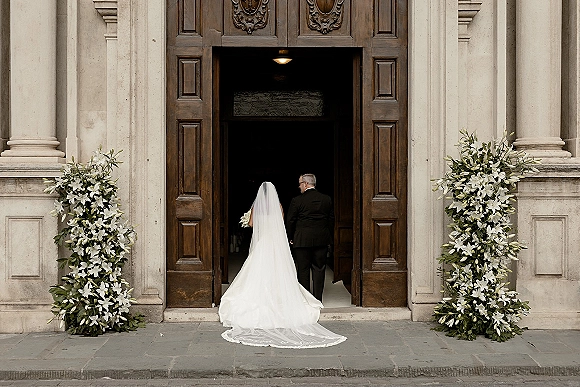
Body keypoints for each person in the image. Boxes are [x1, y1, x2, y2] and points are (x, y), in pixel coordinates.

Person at [218, 182, 346, 348]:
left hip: (263, 244)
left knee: (258, 272)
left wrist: (252, 216)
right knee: (279, 271)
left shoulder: (257, 206)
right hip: (276, 245)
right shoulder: (278, 205)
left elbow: (250, 224)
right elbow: (281, 223)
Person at [286, 174, 334, 302]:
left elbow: (290, 221)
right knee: (319, 269)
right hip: (321, 239)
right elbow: (331, 220)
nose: (299, 187)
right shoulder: (327, 199)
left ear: (306, 184)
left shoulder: (297, 200)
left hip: (302, 240)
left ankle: (306, 300)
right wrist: (328, 236)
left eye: (300, 184)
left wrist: (291, 237)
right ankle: (318, 299)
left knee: (303, 270)